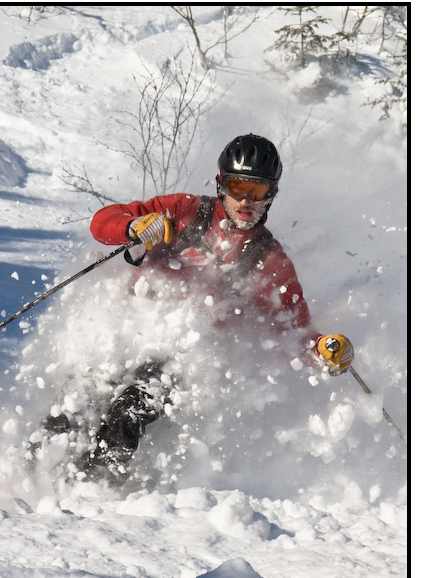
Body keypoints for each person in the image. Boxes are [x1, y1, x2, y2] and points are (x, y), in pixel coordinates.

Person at [54, 134, 354, 482]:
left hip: (181, 355)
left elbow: (295, 332)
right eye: (237, 185)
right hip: (125, 331)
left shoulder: (269, 261)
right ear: (220, 183)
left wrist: (325, 349)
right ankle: (28, 483)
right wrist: (135, 226)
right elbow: (102, 223)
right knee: (74, 405)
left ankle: (95, 491)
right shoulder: (184, 211)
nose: (245, 200)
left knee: (127, 412)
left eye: (256, 192)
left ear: (271, 195)